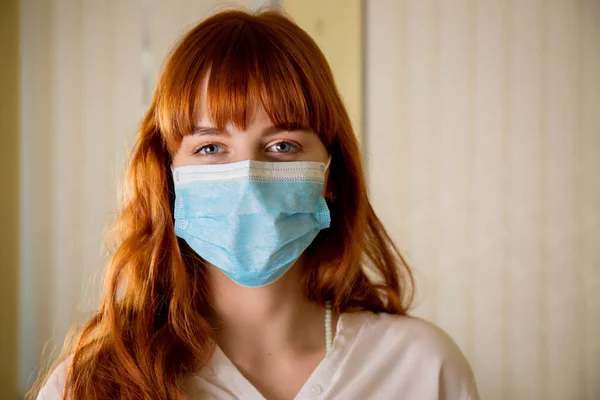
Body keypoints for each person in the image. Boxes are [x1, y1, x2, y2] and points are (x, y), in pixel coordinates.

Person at [34, 9, 479, 400]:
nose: (248, 178)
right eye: (210, 147)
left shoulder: (424, 369)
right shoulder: (90, 385)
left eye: (283, 145)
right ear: (168, 179)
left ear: (332, 176)